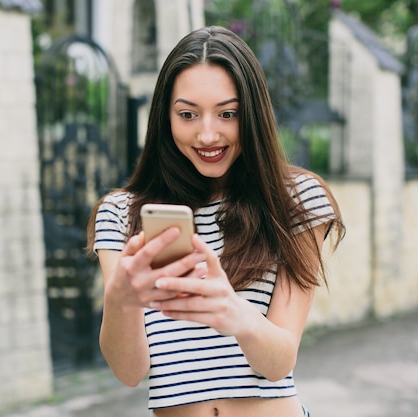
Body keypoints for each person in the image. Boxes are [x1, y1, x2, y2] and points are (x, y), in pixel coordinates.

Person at [86, 25, 345, 417]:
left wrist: (234, 312)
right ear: (165, 117)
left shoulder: (295, 200)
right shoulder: (122, 215)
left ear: (253, 115)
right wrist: (120, 298)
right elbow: (129, 372)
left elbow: (277, 363)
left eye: (228, 114)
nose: (208, 134)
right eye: (188, 114)